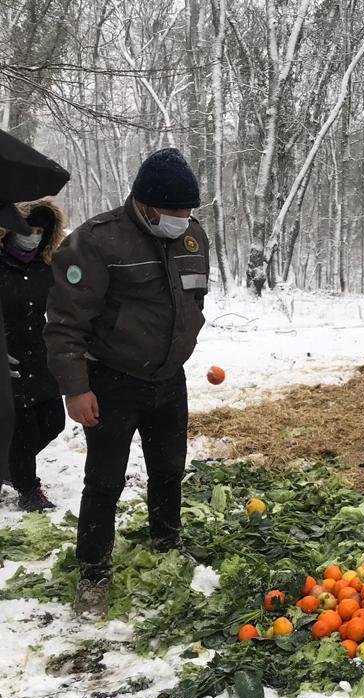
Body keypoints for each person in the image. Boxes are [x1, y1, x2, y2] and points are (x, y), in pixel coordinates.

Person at [45, 148, 210, 620]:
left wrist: (182, 345)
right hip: (113, 381)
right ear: (145, 202)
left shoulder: (192, 237)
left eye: (189, 209)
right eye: (175, 210)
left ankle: (166, 540)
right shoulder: (97, 242)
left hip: (167, 379)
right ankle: (93, 572)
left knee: (168, 470)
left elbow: (193, 300)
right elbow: (65, 323)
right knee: (104, 481)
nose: (184, 218)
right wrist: (76, 388)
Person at [0, 198, 67, 509]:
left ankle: (12, 465)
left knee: (54, 422)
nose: (33, 235)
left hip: (40, 358)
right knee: (24, 429)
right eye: (28, 228)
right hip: (8, 362)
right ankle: (28, 490)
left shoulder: (46, 268)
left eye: (41, 230)